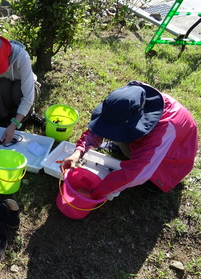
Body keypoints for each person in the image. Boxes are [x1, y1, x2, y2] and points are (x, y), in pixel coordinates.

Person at [60, 80, 198, 199]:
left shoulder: (166, 128)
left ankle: (159, 179)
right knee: (120, 133)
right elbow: (99, 127)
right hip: (149, 139)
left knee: (150, 181)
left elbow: (138, 172)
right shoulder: (132, 95)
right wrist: (77, 152)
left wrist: (97, 191)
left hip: (171, 159)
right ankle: (123, 146)